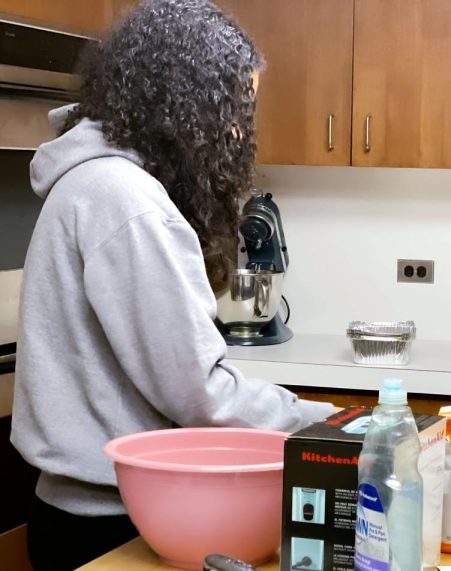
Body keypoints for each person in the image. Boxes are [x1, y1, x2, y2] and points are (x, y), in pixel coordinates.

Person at [10, 2, 335, 568]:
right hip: (115, 522)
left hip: (79, 511)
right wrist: (323, 422)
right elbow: (198, 394)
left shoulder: (92, 183)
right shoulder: (127, 201)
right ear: (185, 103)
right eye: (234, 107)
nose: (238, 129)